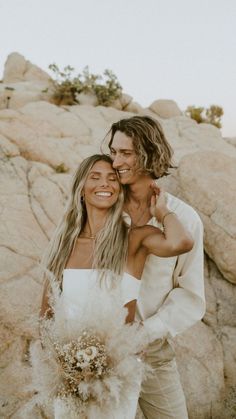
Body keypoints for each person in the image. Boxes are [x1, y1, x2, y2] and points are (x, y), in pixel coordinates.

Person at [40, 154, 193, 418]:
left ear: (119, 191)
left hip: (117, 374)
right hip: (70, 375)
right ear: (81, 188)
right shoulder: (63, 245)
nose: (105, 184)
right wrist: (62, 366)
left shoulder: (134, 239)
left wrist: (163, 211)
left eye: (112, 179)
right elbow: (46, 316)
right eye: (95, 177)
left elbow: (181, 242)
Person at [107, 115, 206, 419]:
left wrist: (145, 333)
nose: (116, 162)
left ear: (149, 154)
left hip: (153, 351)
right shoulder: (104, 210)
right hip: (103, 348)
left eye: (126, 153)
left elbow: (189, 295)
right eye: (113, 152)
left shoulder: (185, 219)